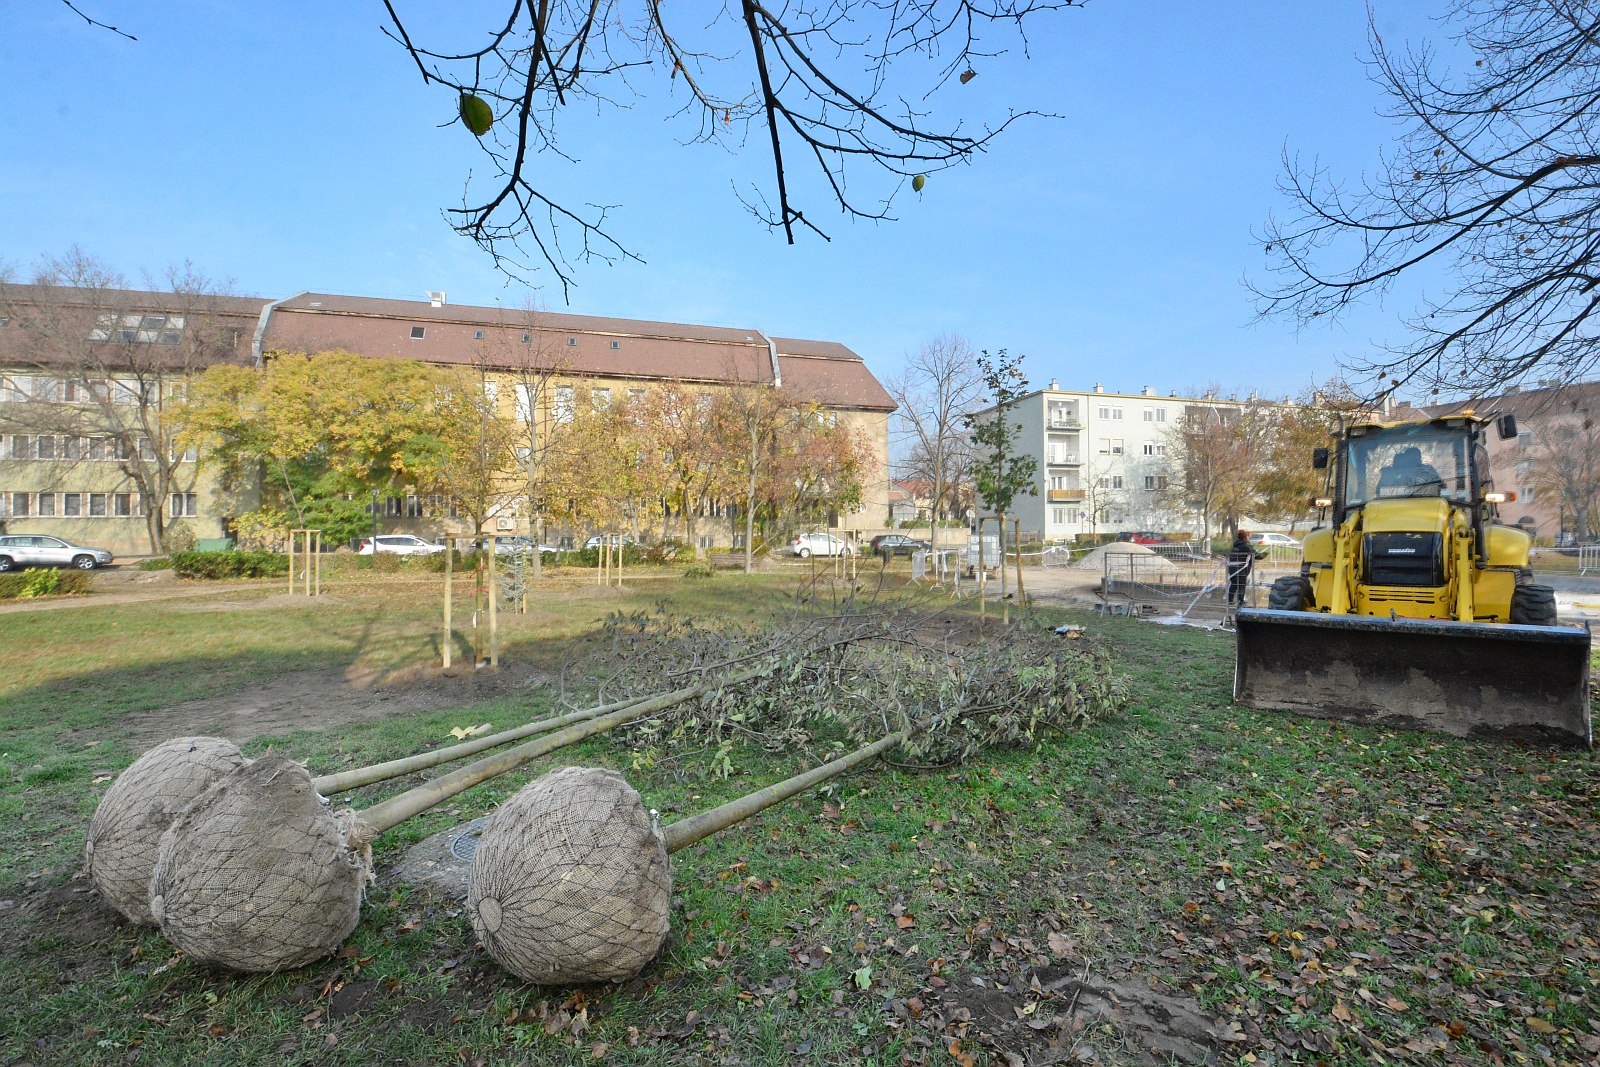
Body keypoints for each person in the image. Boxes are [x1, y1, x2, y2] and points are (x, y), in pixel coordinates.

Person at [1377, 446, 1443, 497]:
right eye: (1412, 457)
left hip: (1429, 503)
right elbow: (1380, 492)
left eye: (1417, 456)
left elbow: (1441, 488)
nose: (1415, 459)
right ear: (1406, 458)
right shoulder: (1390, 473)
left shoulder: (1428, 470)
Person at [1226, 530, 1261, 609]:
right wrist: (1261, 555)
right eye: (1248, 537)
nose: (1249, 538)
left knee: (1234, 584)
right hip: (1240, 569)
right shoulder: (1245, 546)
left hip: (1232, 569)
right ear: (1245, 538)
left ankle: (1230, 600)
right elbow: (1255, 554)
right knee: (1241, 586)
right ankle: (1240, 602)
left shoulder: (1235, 545)